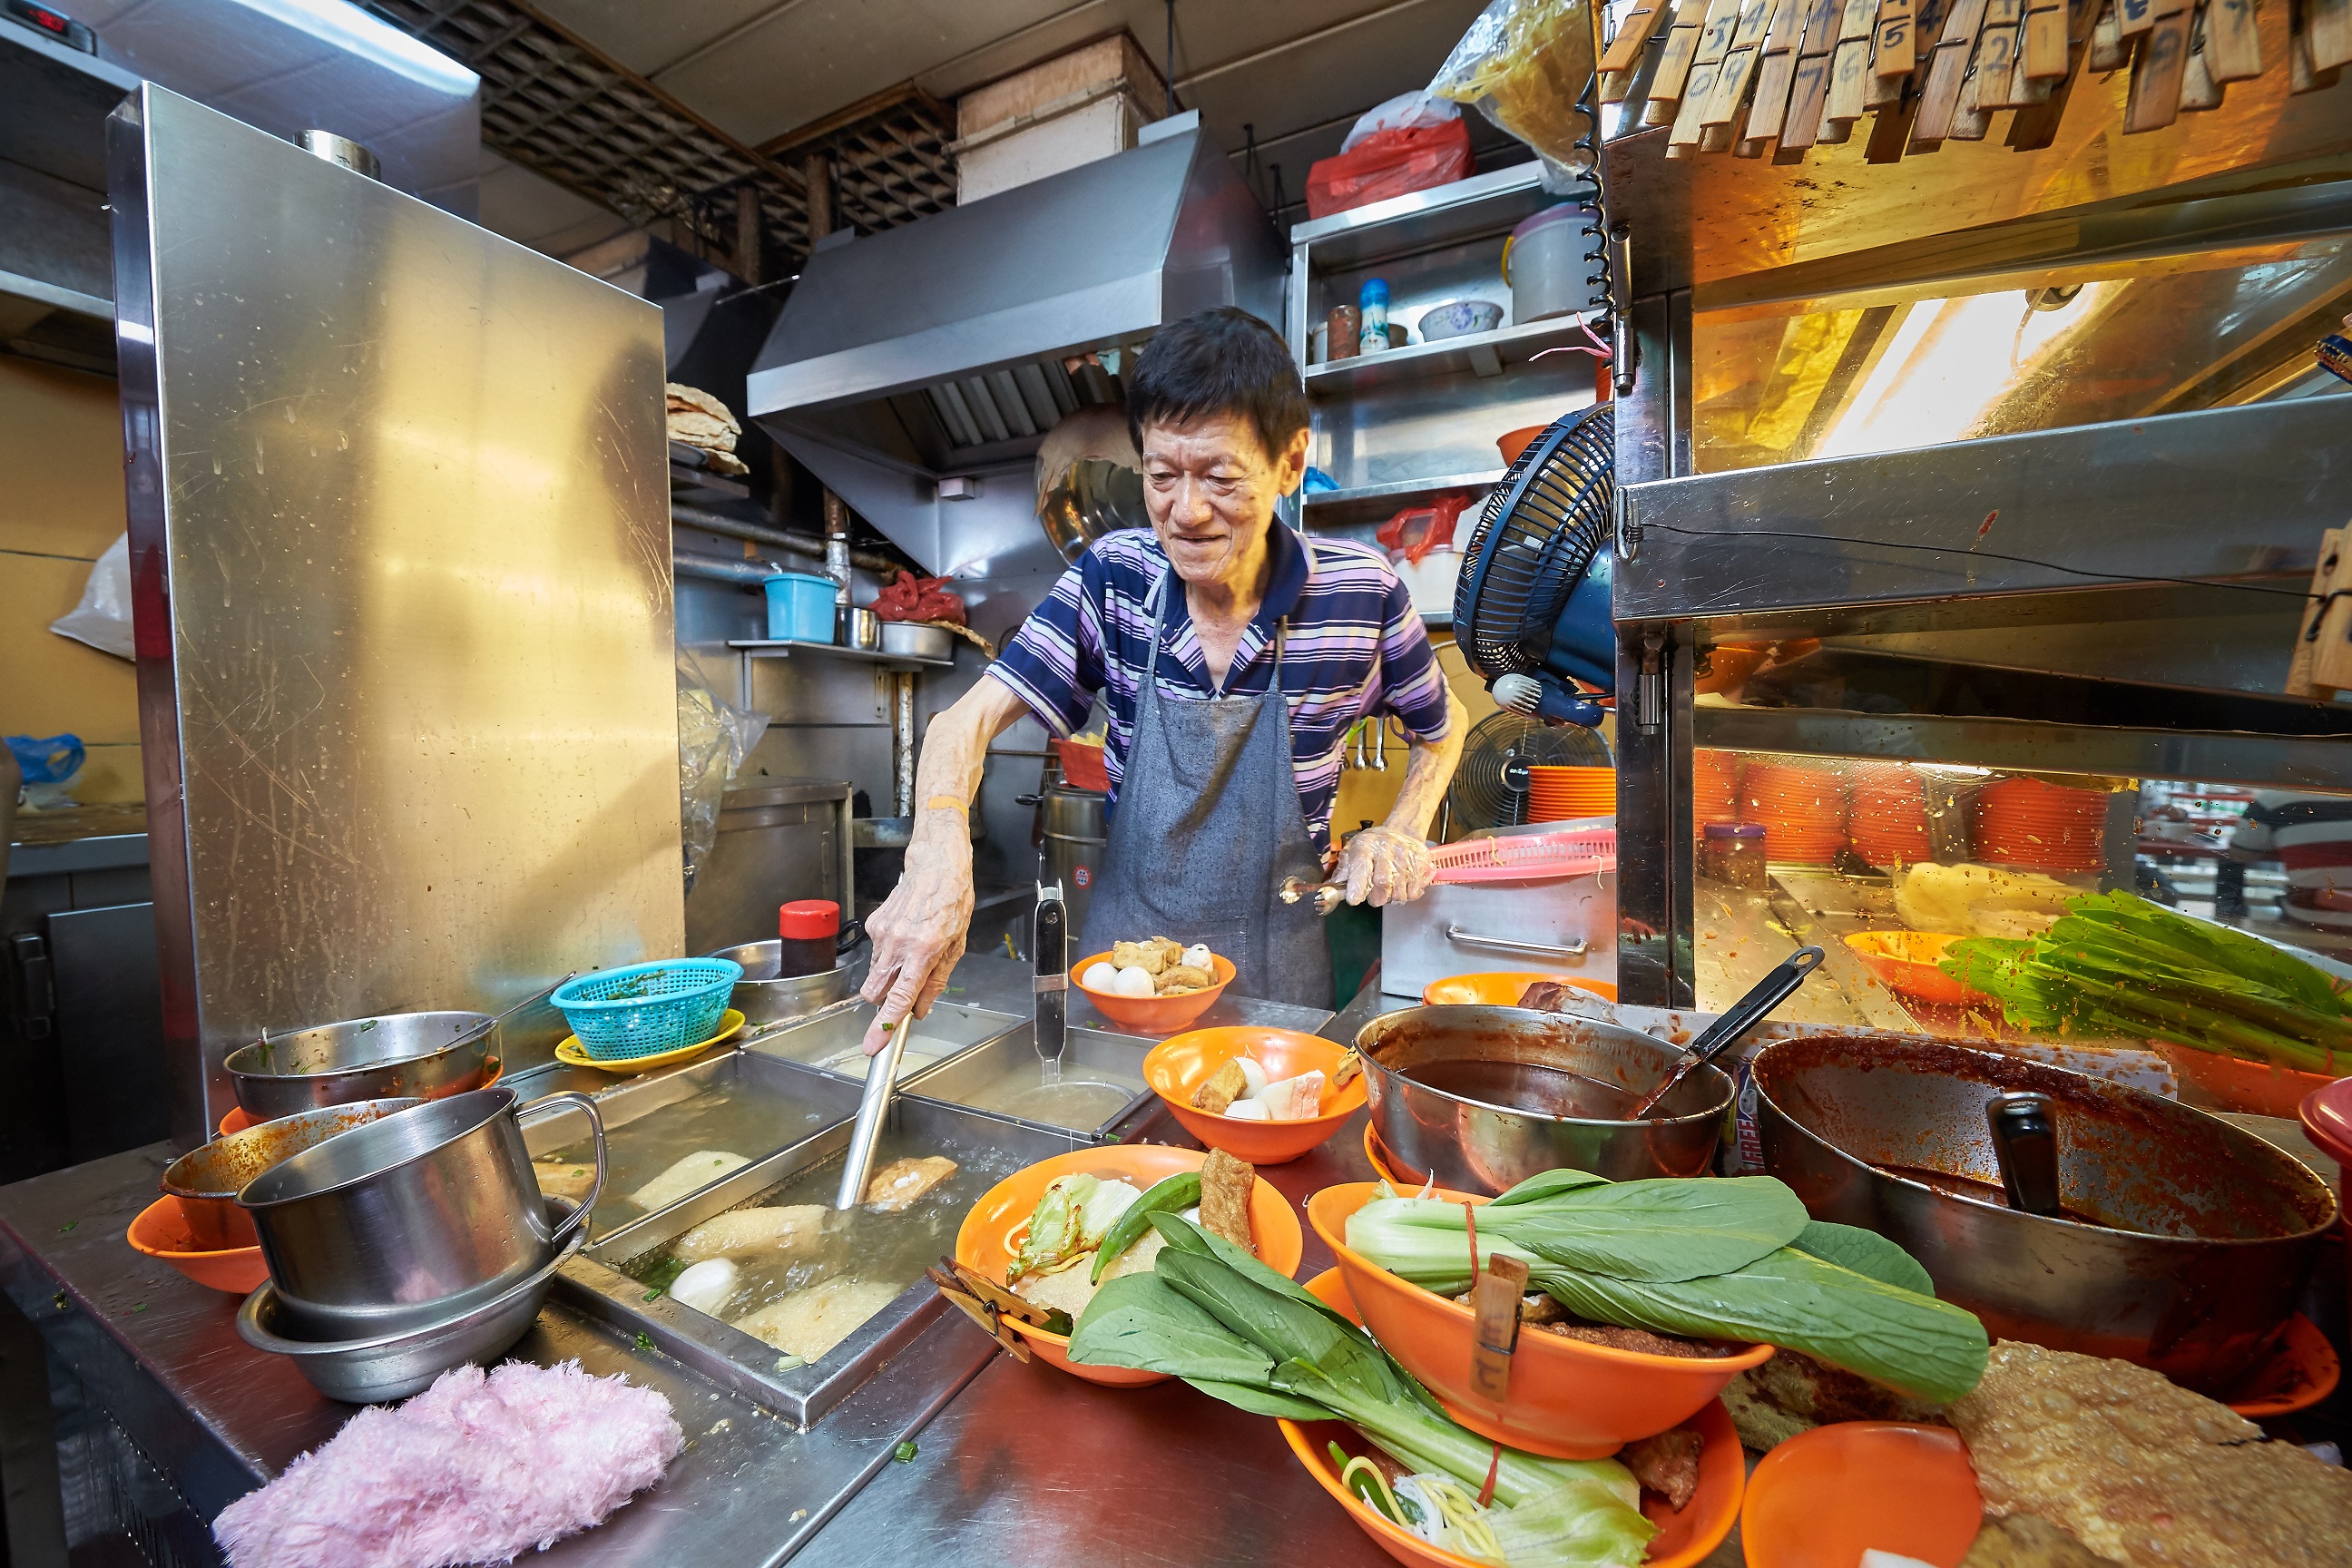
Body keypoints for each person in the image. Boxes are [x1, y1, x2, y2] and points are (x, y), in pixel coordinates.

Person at [858, 307, 1466, 1049]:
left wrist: (1402, 830)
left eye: (1219, 475)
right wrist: (937, 845)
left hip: (1279, 977)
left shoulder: (1361, 596)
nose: (1187, 511)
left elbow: (1443, 729)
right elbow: (964, 721)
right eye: (1162, 475)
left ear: (1291, 460)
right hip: (1128, 975)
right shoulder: (1113, 576)